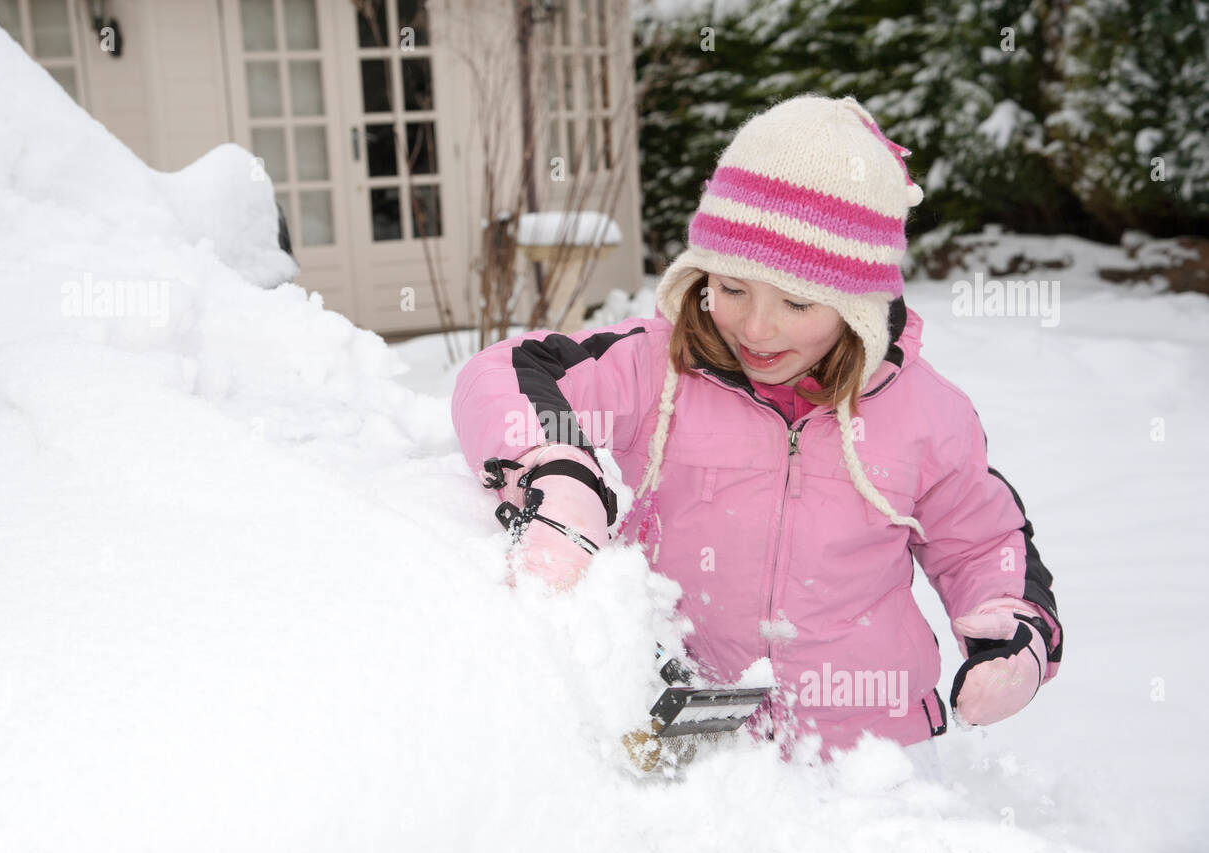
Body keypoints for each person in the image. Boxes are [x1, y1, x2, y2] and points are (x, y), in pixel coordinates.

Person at [450, 94, 1063, 770]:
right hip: (693, 752)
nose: (756, 328)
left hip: (871, 760)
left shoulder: (924, 414)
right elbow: (506, 373)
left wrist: (1017, 631)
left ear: (859, 307)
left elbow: (983, 540)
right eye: (732, 288)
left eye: (798, 302)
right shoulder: (655, 367)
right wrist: (556, 468)